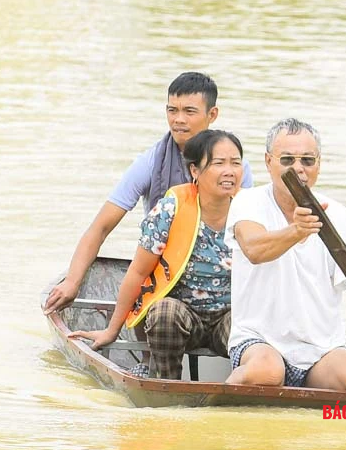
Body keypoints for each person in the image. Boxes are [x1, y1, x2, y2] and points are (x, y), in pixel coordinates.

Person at [224, 118, 346, 392]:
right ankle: (221, 399)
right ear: (268, 162)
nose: (298, 168)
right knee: (267, 371)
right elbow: (254, 249)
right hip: (259, 343)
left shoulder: (337, 214)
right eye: (287, 159)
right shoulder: (248, 201)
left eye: (307, 161)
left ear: (319, 165)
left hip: (320, 352)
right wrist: (296, 231)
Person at [43, 72, 253, 316]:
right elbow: (101, 227)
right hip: (162, 274)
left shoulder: (234, 169)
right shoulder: (151, 162)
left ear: (212, 114)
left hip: (216, 277)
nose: (178, 120)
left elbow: (248, 234)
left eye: (189, 111)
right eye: (172, 110)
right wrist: (72, 282)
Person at [68, 130, 245, 379]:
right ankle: (165, 385)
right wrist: (111, 330)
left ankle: (240, 392)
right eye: (218, 163)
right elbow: (138, 271)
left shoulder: (249, 209)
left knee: (253, 328)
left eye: (236, 163)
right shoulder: (171, 207)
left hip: (228, 315)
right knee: (165, 313)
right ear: (195, 171)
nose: (230, 171)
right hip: (182, 315)